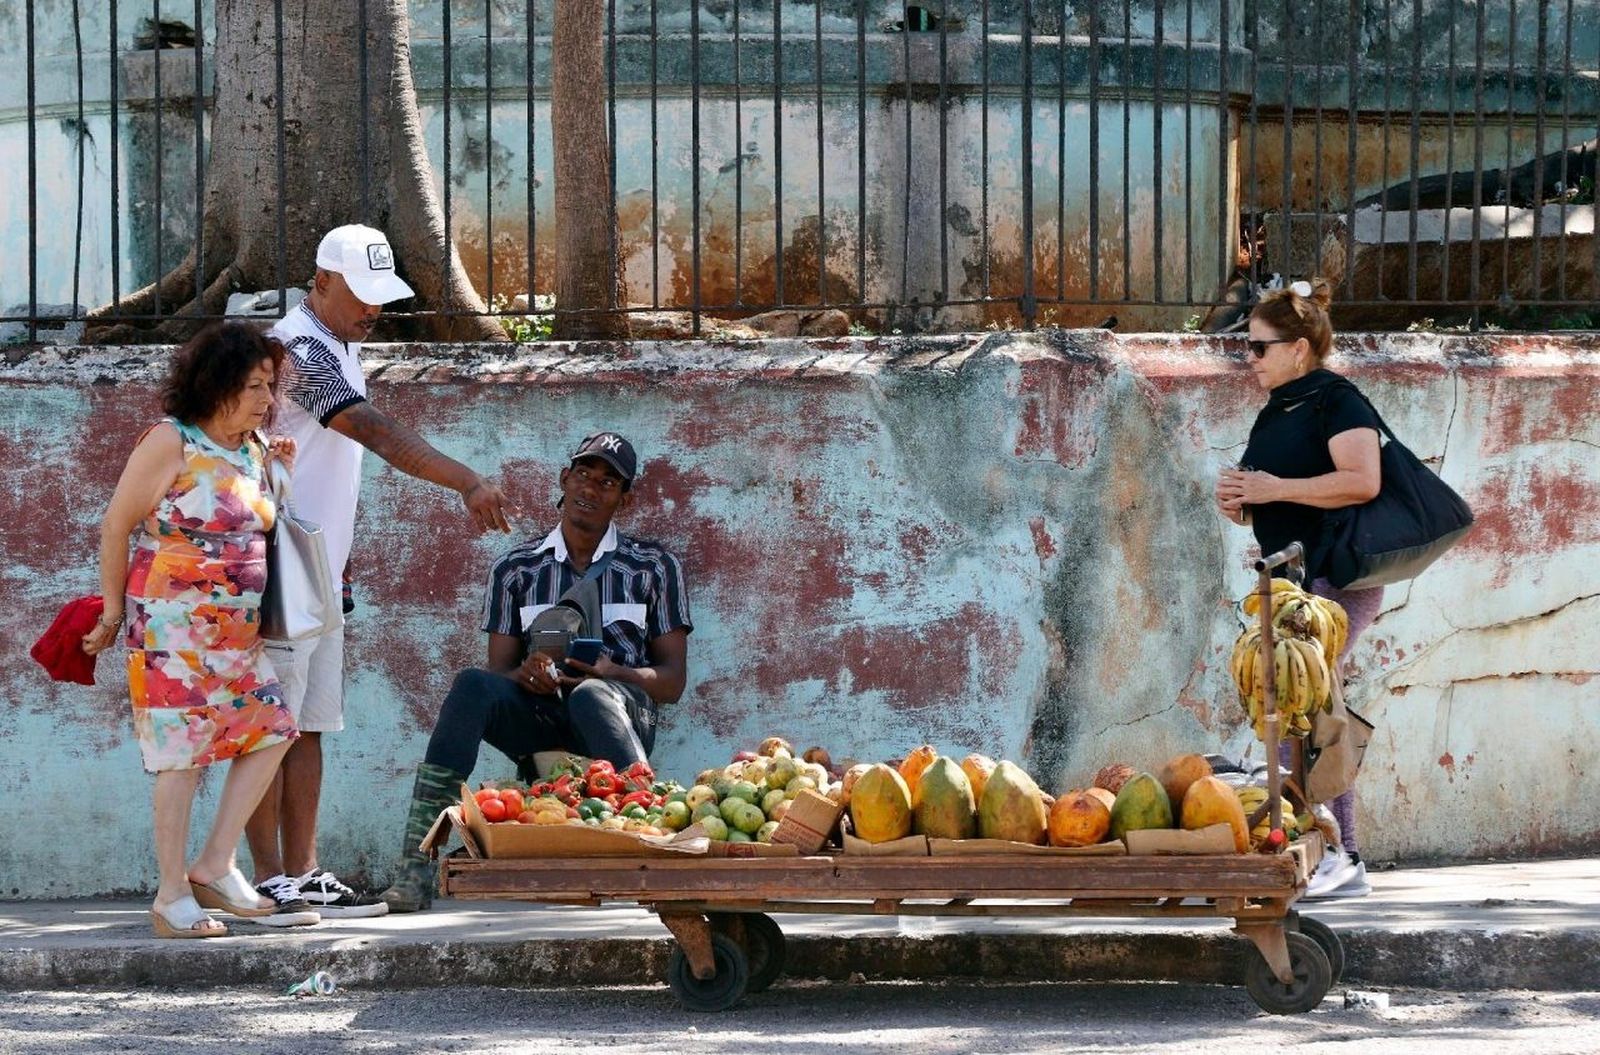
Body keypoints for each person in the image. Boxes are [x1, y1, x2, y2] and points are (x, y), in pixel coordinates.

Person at [243, 224, 514, 922]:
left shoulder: (336, 340)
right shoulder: (298, 349)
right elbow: (373, 431)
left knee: (308, 726)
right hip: (276, 567)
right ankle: (269, 876)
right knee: (268, 728)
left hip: (319, 571)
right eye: (360, 295)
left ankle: (302, 871)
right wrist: (466, 480)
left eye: (381, 298)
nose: (373, 311)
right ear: (322, 281)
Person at [379, 432, 693, 912]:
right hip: (543, 717)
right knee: (470, 686)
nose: (591, 488)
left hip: (618, 716)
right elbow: (497, 674)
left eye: (608, 482)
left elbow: (671, 683)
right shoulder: (517, 569)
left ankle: (647, 847)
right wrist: (526, 673)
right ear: (565, 480)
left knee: (591, 694)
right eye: (584, 475)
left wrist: (613, 672)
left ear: (623, 499)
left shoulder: (653, 566)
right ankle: (414, 867)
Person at [83, 323, 320, 936]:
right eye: (253, 387)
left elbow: (259, 520)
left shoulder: (252, 446)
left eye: (271, 386)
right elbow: (116, 527)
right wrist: (111, 612)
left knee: (272, 731)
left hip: (237, 637)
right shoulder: (172, 442)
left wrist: (279, 471)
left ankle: (214, 865)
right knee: (181, 758)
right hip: (173, 632)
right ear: (216, 387)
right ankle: (169, 896)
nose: (268, 400)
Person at [1215, 278, 1383, 899]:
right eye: (1249, 347)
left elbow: (1361, 481)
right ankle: (1312, 846)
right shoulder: (1280, 408)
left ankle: (1343, 853)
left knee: (1309, 710)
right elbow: (1271, 493)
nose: (1250, 358)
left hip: (1336, 575)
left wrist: (1271, 490)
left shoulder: (1339, 402)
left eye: (1260, 347)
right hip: (1288, 580)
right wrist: (1241, 503)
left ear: (1300, 347)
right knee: (1293, 711)